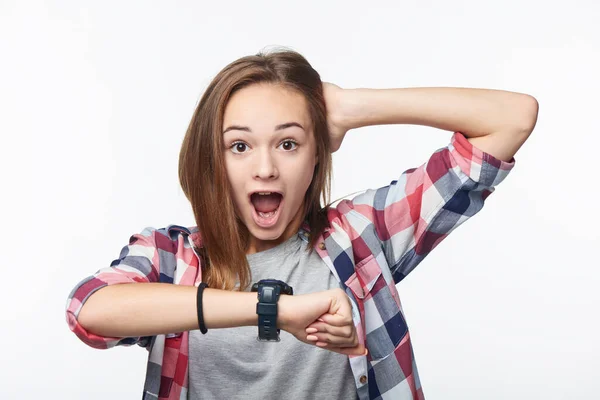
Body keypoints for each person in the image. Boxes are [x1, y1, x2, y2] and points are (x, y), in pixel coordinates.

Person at [65, 48, 538, 400]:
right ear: (211, 161)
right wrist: (272, 311)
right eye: (240, 146)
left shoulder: (361, 237)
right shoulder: (171, 259)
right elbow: (88, 310)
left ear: (316, 157)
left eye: (289, 144)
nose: (266, 169)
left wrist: (350, 107)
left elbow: (512, 118)